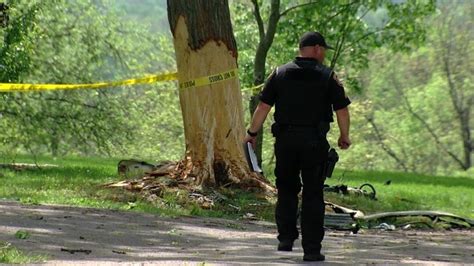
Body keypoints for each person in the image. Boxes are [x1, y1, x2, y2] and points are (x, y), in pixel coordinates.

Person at [243, 31, 351, 262]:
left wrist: (251, 133)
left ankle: (286, 237)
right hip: (314, 142)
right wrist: (344, 136)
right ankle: (311, 250)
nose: (323, 54)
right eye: (323, 50)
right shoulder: (328, 76)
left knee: (287, 188)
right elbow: (341, 109)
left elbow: (263, 107)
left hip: (286, 142)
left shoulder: (279, 73)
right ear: (317, 49)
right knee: (313, 194)